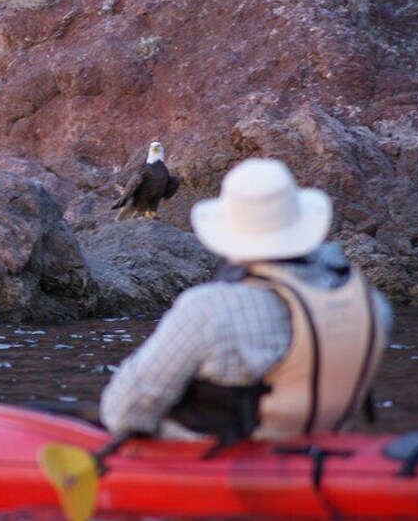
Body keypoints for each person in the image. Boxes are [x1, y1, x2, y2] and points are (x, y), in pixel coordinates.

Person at [100, 158, 392, 443]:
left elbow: (122, 412)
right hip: (327, 455)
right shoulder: (369, 304)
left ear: (229, 231)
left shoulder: (208, 310)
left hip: (229, 465)